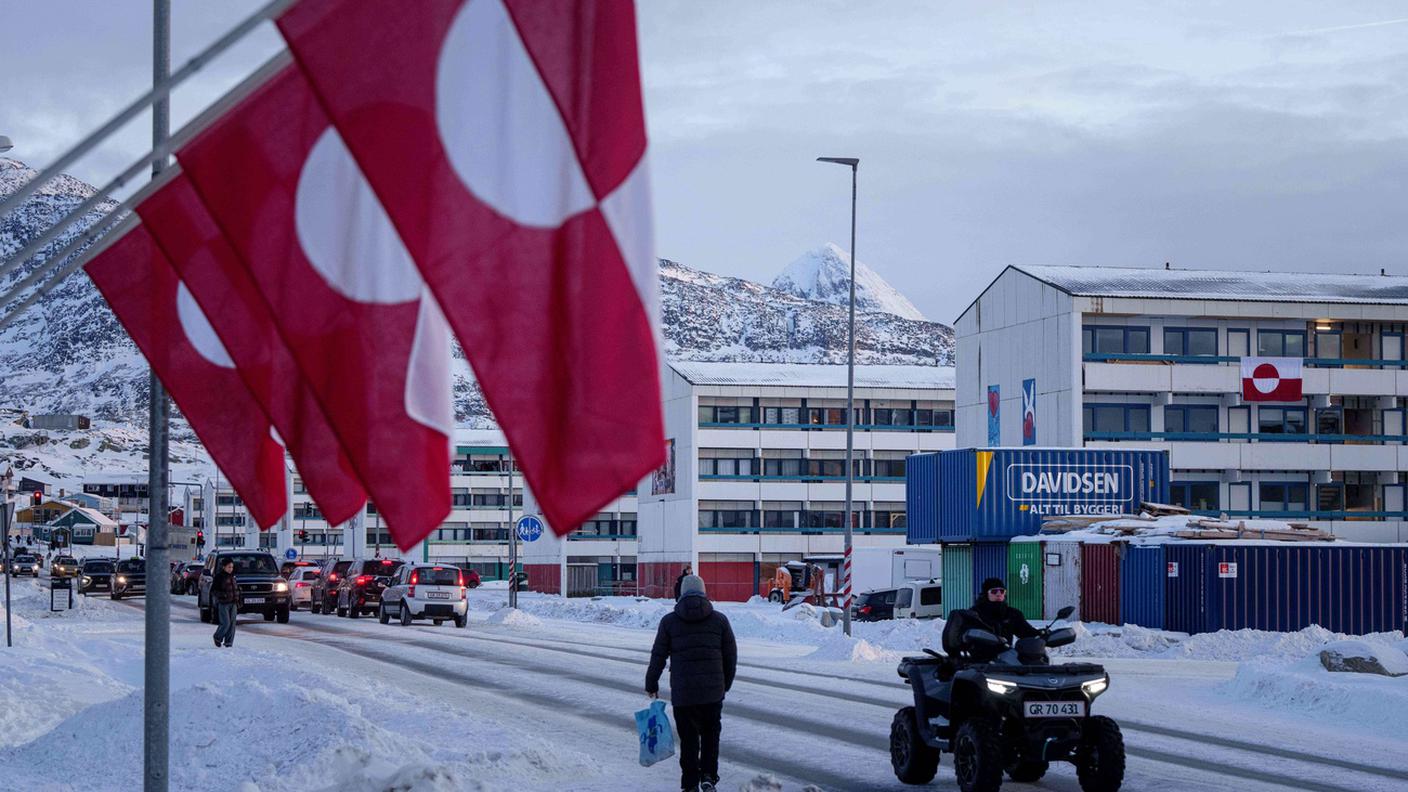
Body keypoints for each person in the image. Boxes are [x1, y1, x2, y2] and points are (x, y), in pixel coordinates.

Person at [646, 575, 737, 792]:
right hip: (713, 692)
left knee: (688, 740)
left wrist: (651, 683)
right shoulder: (720, 620)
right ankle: (708, 777)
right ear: (704, 592)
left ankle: (689, 785)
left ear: (681, 593)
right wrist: (724, 684)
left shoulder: (669, 622)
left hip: (684, 694)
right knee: (710, 736)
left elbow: (658, 655)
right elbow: (730, 656)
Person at [972, 577, 1038, 648]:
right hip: (981, 654)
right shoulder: (974, 614)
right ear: (986, 594)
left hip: (1006, 653)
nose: (998, 594)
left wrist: (1041, 634)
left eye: (1002, 591)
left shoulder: (1012, 614)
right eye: (994, 591)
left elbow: (1026, 632)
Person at [211, 557, 241, 648]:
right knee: (226, 623)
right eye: (229, 567)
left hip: (233, 603)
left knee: (232, 624)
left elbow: (236, 589)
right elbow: (213, 591)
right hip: (224, 603)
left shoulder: (233, 576)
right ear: (224, 567)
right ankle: (217, 637)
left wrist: (239, 598)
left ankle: (229, 643)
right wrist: (222, 595)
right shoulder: (219, 577)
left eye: (232, 567)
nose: (231, 569)